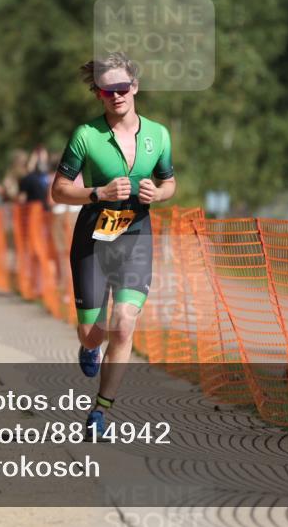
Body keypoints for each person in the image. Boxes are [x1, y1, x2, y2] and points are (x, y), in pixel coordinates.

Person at [50, 52, 176, 441]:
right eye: (108, 90)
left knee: (125, 323)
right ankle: (89, 347)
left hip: (136, 237)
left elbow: (170, 182)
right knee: (95, 333)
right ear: (99, 94)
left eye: (123, 88)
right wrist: (96, 193)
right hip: (93, 238)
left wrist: (159, 192)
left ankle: (100, 411)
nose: (117, 95)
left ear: (134, 87)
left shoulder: (159, 134)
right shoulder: (86, 135)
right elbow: (57, 190)